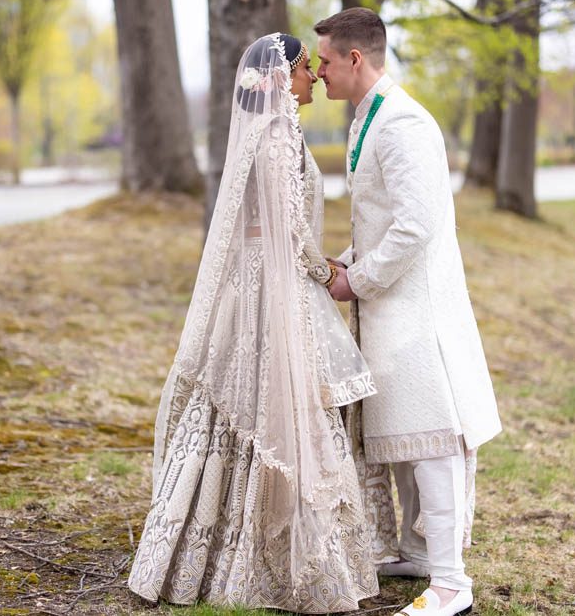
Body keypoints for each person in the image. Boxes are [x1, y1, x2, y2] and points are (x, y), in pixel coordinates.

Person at [127, 33, 384, 613]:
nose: (314, 76)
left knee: (264, 409)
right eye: (303, 68)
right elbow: (287, 235)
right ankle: (250, 561)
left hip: (270, 288)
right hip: (270, 295)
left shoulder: (273, 137)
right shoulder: (275, 142)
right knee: (272, 410)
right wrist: (329, 274)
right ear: (277, 80)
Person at [315, 8, 503, 616]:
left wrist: (358, 281)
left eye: (323, 59)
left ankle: (451, 582)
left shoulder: (402, 124)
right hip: (389, 310)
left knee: (433, 438)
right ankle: (416, 555)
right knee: (399, 434)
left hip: (418, 312)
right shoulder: (368, 119)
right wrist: (341, 264)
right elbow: (378, 217)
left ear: (354, 59)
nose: (316, 72)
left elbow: (417, 225)